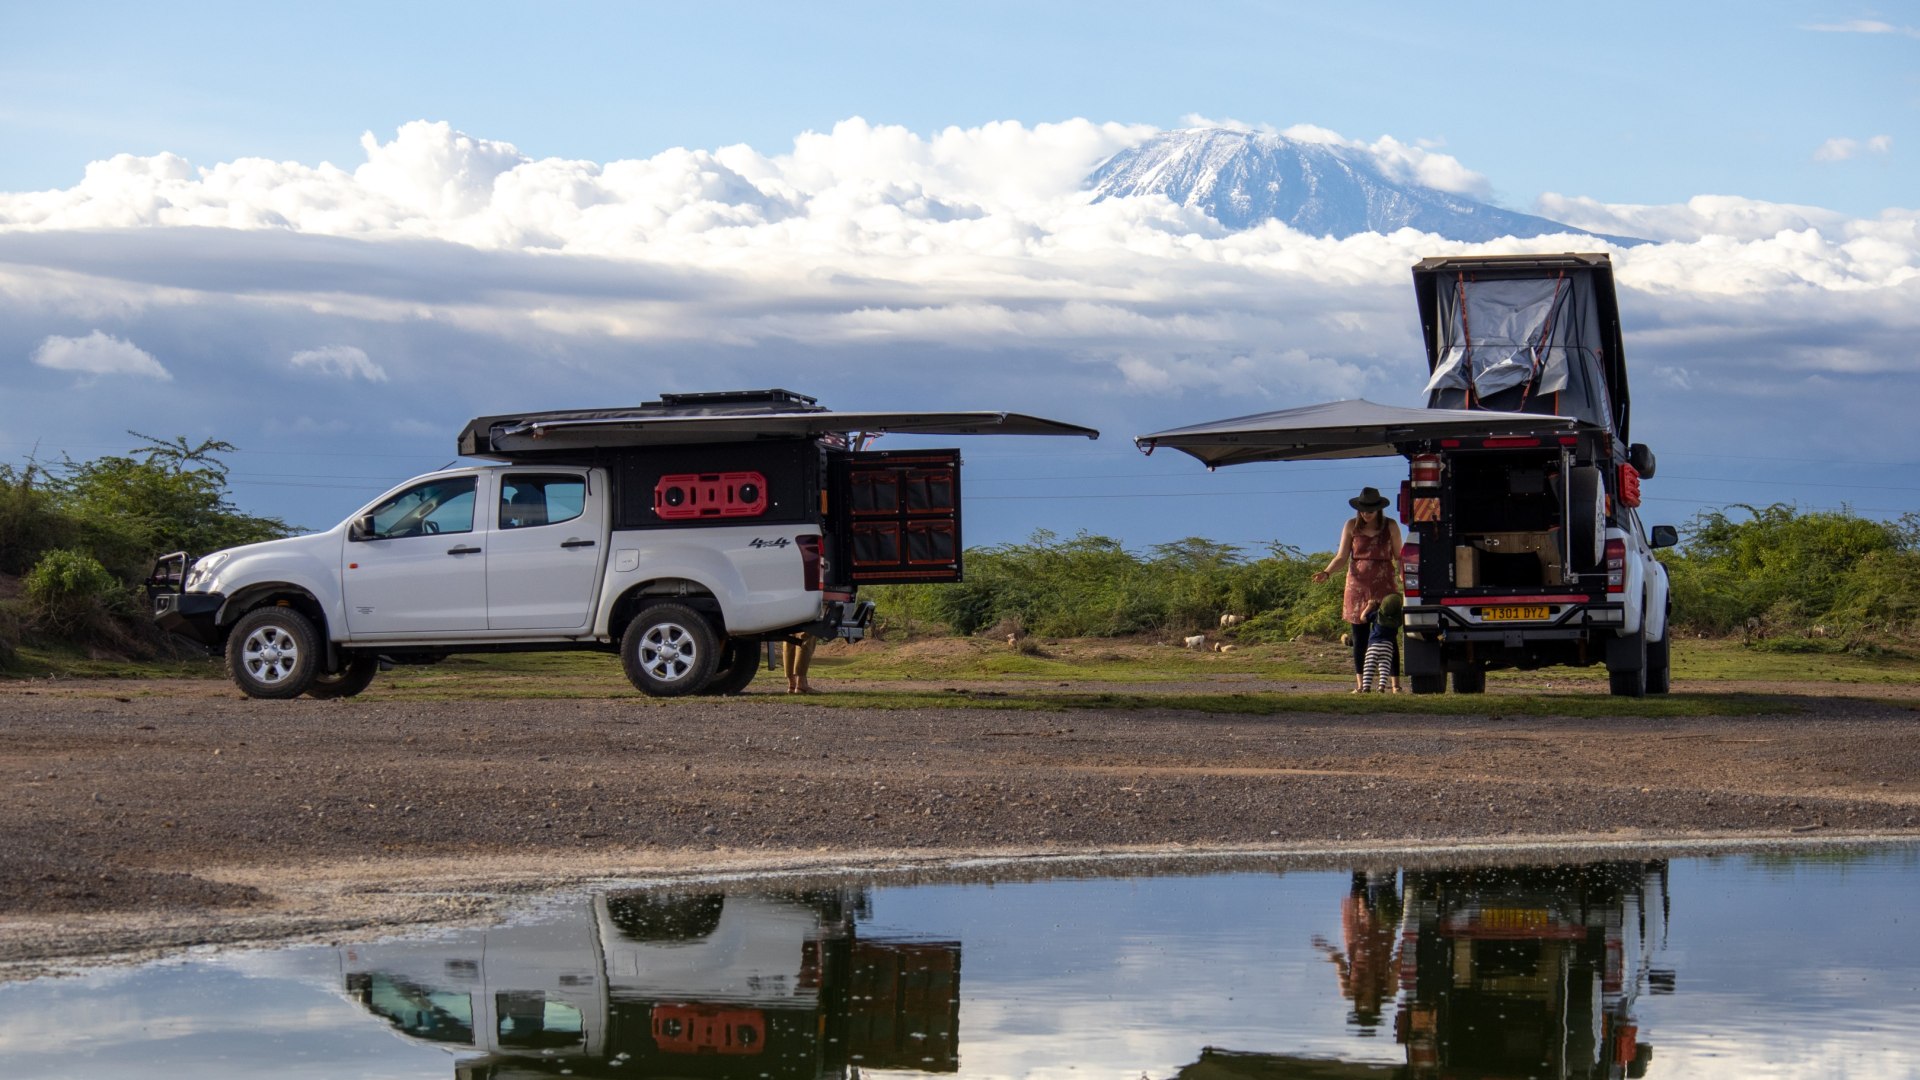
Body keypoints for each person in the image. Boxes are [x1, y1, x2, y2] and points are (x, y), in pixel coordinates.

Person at [1312, 487, 1403, 692]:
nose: (1366, 513)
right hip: (1357, 585)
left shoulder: (1390, 525)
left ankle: (1395, 685)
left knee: (1387, 634)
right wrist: (1326, 572)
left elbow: (1399, 555)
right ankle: (1362, 685)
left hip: (1384, 583)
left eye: (1370, 509)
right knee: (1359, 636)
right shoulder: (1351, 525)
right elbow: (1342, 556)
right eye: (1363, 509)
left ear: (1378, 509)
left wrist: (1404, 574)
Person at [1361, 593, 1403, 693]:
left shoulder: (1377, 614)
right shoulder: (1397, 620)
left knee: (1369, 666)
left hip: (1373, 646)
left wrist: (1369, 606)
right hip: (1388, 647)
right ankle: (1381, 687)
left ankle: (1366, 687)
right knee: (1384, 668)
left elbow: (1362, 618)